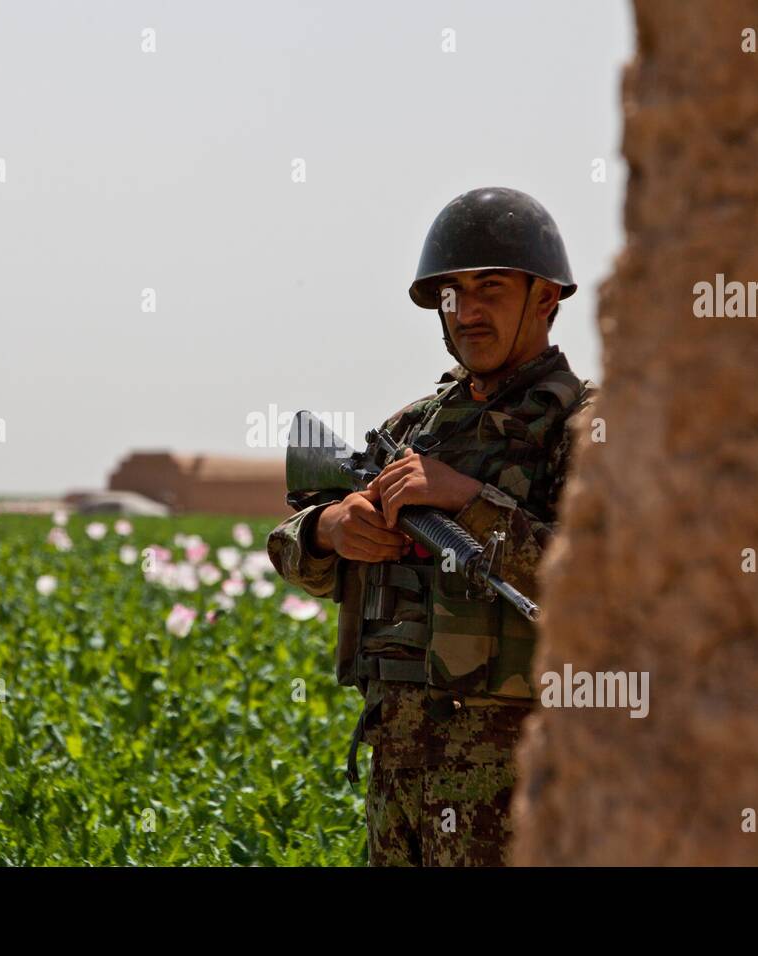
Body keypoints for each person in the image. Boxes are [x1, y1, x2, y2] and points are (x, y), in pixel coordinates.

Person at [267, 186, 596, 866]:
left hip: (522, 793)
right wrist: (332, 528)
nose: (467, 311)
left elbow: (604, 586)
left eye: (491, 288)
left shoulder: (586, 429)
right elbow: (289, 546)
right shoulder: (413, 428)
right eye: (452, 294)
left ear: (545, 298)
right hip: (397, 783)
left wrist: (467, 500)